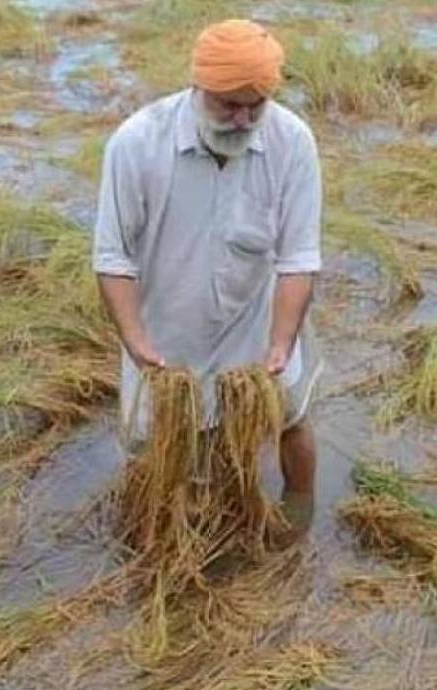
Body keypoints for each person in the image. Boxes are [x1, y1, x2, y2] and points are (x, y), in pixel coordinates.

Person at [92, 19, 322, 540]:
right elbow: (113, 258)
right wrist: (136, 341)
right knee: (158, 445)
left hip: (259, 324)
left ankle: (298, 525)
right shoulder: (136, 143)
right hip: (164, 334)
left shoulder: (292, 142)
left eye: (255, 106)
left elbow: (298, 258)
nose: (243, 119)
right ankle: (158, 538)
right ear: (198, 88)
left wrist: (282, 343)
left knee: (291, 421)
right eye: (228, 105)